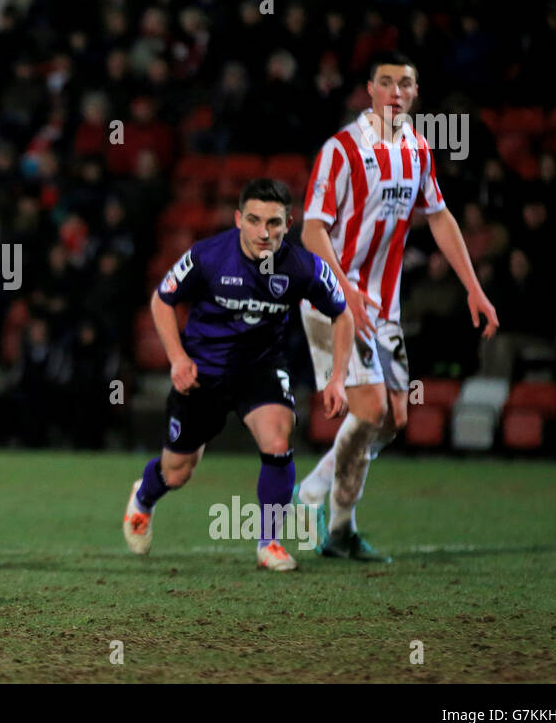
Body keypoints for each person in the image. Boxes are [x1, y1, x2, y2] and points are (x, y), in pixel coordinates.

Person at [296, 51, 498, 561]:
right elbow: (312, 230)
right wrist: (345, 288)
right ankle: (316, 501)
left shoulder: (418, 149)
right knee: (369, 409)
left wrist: (473, 287)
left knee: (393, 421)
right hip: (333, 300)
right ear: (369, 90)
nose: (395, 92)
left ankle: (335, 520)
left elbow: (440, 217)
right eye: (385, 82)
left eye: (404, 84)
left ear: (414, 94)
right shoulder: (341, 149)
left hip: (383, 307)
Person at [122, 178, 353, 571]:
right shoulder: (208, 256)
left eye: (275, 223)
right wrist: (177, 358)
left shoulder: (303, 266)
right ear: (238, 220)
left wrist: (337, 378)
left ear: (289, 222)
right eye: (255, 220)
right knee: (177, 472)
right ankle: (144, 496)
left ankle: (269, 543)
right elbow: (163, 301)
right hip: (203, 373)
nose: (264, 232)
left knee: (279, 438)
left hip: (260, 369)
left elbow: (342, 314)